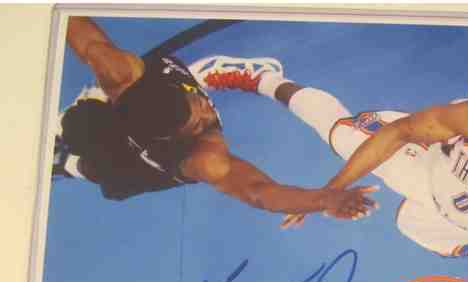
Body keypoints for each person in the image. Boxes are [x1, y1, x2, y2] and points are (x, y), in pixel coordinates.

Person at [195, 56, 468, 264]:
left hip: (457, 225)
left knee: (413, 225)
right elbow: (399, 133)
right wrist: (328, 193)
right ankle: (263, 77)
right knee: (340, 133)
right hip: (429, 170)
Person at [53, 17, 377, 221]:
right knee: (92, 156)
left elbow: (259, 192)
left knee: (100, 165)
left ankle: (70, 160)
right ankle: (68, 160)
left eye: (196, 102)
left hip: (141, 136)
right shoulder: (202, 154)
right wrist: (323, 199)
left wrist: (323, 199)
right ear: (182, 135)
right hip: (134, 148)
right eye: (198, 121)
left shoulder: (122, 75)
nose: (207, 111)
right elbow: (261, 192)